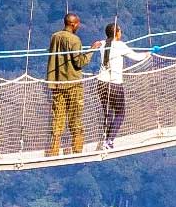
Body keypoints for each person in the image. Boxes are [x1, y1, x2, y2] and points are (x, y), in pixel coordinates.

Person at [45, 12, 101, 156]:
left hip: (56, 83)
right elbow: (80, 62)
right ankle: (77, 147)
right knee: (75, 115)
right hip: (72, 83)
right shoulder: (75, 40)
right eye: (78, 24)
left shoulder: (54, 37)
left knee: (58, 116)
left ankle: (54, 148)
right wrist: (92, 49)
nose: (78, 26)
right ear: (73, 24)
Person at [95, 22, 150, 151]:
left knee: (107, 112)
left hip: (101, 83)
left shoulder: (102, 44)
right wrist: (148, 53)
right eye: (120, 31)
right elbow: (136, 57)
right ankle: (109, 141)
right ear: (117, 33)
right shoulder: (120, 46)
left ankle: (105, 139)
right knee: (120, 113)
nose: (121, 33)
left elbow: (99, 44)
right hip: (115, 84)